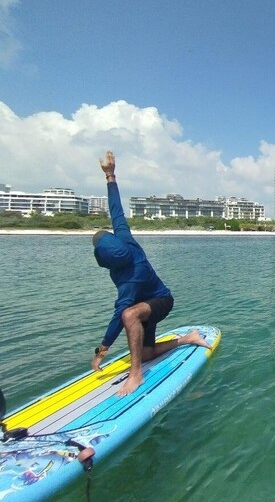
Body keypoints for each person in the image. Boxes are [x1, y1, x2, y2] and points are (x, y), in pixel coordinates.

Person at [92, 150, 210, 397]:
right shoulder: (125, 240)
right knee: (145, 351)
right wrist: (110, 176)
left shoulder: (130, 277)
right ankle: (188, 338)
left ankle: (136, 375)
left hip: (160, 301)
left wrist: (102, 350)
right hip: (145, 307)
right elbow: (117, 212)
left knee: (127, 314)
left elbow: (118, 316)